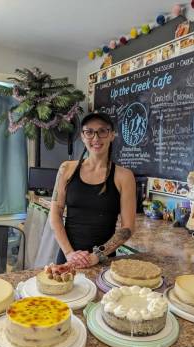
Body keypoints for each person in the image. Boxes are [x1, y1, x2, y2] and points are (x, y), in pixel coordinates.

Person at [50, 112, 136, 268]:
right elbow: (55, 214)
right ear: (82, 136)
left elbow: (128, 228)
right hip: (68, 257)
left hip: (103, 261)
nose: (95, 138)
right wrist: (70, 254)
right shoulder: (66, 169)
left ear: (112, 135)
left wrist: (97, 256)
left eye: (102, 131)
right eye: (89, 132)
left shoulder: (124, 176)